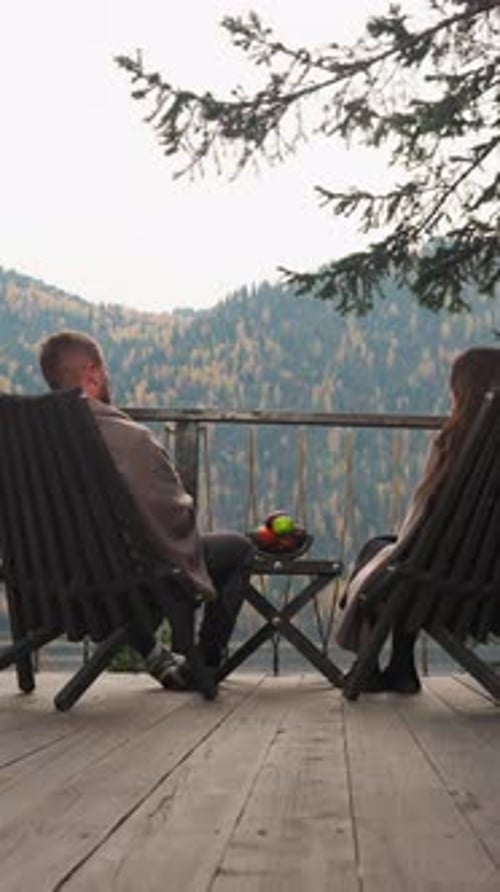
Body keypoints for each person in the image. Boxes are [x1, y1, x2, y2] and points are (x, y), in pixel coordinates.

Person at [39, 330, 255, 692]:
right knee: (237, 548)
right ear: (92, 374)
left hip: (48, 580)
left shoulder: (27, 439)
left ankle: (154, 655)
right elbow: (174, 519)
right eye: (104, 372)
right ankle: (204, 662)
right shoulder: (125, 438)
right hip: (120, 589)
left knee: (124, 555)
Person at [337, 346, 500, 694]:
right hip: (487, 573)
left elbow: (430, 516)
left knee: (386, 556)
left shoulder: (457, 443)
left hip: (447, 574)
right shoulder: (490, 454)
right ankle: (399, 666)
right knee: (389, 551)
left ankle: (381, 666)